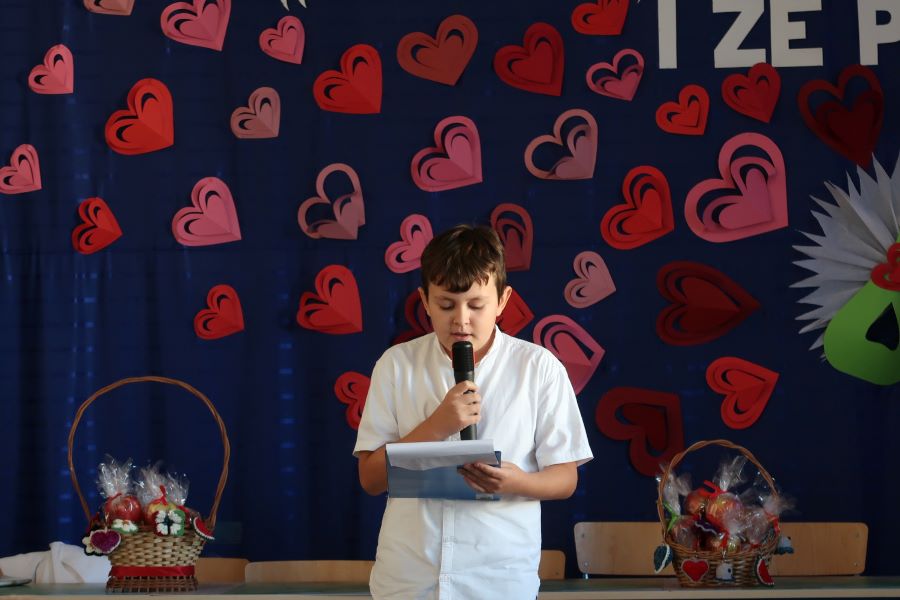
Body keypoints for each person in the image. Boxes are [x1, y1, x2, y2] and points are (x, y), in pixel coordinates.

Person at [354, 224, 593, 599]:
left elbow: (565, 478)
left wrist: (515, 482)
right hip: (408, 579)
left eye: (476, 305)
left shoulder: (539, 368)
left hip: (498, 581)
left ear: (502, 300)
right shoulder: (396, 365)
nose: (461, 320)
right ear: (425, 300)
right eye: (446, 305)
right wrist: (437, 426)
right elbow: (370, 478)